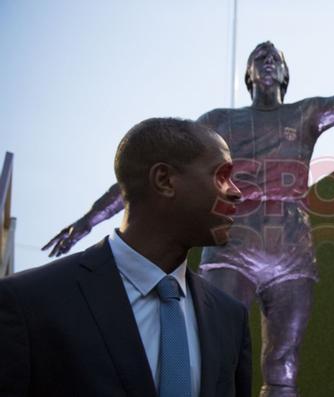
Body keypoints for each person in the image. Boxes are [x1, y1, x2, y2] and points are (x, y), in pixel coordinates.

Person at [42, 24, 334, 397]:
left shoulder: (306, 114)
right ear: (248, 75)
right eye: (258, 58)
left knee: (282, 368)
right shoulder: (218, 123)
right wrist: (89, 219)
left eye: (274, 58)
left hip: (291, 252)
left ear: (284, 73)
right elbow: (148, 165)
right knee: (211, 351)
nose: (266, 60)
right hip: (232, 246)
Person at [1, 118, 251, 397]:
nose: (237, 192)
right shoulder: (28, 303)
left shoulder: (230, 318)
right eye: (221, 176)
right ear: (164, 180)